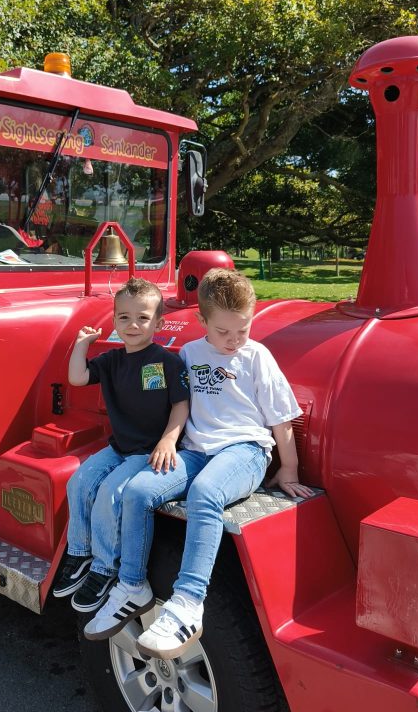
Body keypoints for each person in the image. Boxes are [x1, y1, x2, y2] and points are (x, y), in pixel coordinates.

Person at [84, 267, 313, 653]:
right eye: (223, 331)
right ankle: (132, 585)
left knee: (205, 495)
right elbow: (176, 401)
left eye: (242, 330)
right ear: (202, 320)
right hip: (195, 450)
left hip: (244, 451)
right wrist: (164, 439)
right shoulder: (189, 353)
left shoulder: (257, 357)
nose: (233, 340)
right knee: (138, 490)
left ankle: (188, 603)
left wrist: (288, 468)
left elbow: (280, 419)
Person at [51, 277, 190, 617]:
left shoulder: (166, 363)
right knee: (79, 482)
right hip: (120, 446)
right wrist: (82, 344)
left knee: (111, 493)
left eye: (142, 318)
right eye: (124, 317)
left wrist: (168, 440)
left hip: (147, 451)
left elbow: (181, 405)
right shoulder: (113, 360)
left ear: (158, 323)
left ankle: (103, 568)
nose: (132, 325)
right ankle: (80, 552)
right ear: (114, 321)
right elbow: (78, 378)